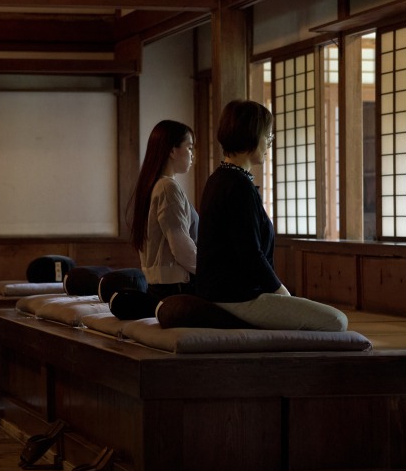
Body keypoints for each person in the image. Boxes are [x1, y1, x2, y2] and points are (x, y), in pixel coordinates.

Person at [195, 99, 348, 331]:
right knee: (336, 320)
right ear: (251, 136)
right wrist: (280, 291)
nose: (269, 144)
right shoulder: (238, 186)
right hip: (236, 297)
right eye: (267, 136)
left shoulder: (220, 178)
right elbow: (250, 252)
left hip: (222, 291)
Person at [128, 119, 198, 300]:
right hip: (176, 288)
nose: (192, 155)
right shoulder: (168, 187)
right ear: (173, 151)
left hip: (162, 287)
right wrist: (212, 271)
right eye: (189, 148)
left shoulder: (154, 185)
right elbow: (182, 248)